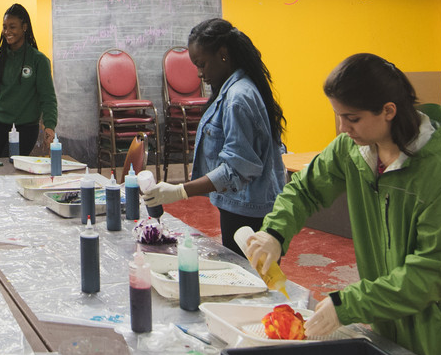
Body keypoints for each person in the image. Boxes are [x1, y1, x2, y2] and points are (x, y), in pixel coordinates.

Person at [244, 53, 441, 355]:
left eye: (352, 118)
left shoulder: (433, 171)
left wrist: (348, 305)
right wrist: (274, 233)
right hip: (386, 318)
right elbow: (306, 190)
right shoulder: (352, 149)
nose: (342, 127)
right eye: (338, 115)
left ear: (389, 110)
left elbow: (428, 273)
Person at [142, 18, 286, 258]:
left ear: (223, 54)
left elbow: (236, 170)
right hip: (240, 203)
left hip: (249, 211)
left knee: (252, 281)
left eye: (202, 64)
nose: (199, 74)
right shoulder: (232, 89)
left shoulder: (238, 97)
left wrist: (180, 191)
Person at [0, 3, 58, 158]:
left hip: (26, 128)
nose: (7, 32)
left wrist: (49, 127)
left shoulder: (38, 61)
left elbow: (48, 98)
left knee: (12, 167)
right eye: (4, 27)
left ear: (24, 27)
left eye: (12, 27)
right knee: (3, 173)